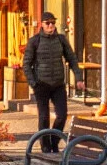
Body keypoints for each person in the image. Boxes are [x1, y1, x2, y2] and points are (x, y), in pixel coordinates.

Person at [23, 12, 83, 153]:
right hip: (41, 84)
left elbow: (72, 59)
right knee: (43, 117)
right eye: (47, 23)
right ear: (41, 25)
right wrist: (33, 83)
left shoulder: (61, 39)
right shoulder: (34, 41)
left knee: (62, 115)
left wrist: (79, 78)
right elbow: (26, 64)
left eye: (53, 23)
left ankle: (54, 141)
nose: (51, 25)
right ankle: (45, 146)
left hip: (58, 84)